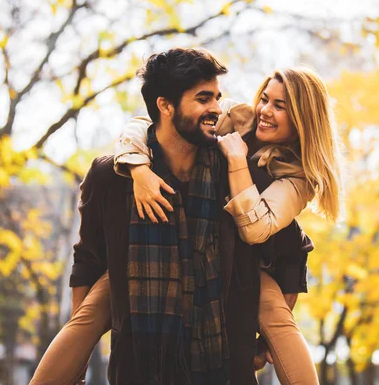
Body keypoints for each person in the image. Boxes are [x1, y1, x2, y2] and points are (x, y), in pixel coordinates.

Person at [30, 48, 313, 385]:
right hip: (140, 365)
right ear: (165, 105)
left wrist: (264, 340)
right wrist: (137, 170)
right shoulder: (112, 175)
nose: (217, 109)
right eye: (204, 98)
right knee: (92, 310)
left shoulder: (241, 174)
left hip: (222, 366)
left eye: (217, 98)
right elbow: (88, 260)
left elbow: (292, 250)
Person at [116, 66, 344, 384]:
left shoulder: (299, 176)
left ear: (303, 118)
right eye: (265, 99)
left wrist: (237, 162)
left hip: (243, 261)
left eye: (280, 106)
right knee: (98, 304)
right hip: (182, 235)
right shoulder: (237, 118)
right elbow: (146, 125)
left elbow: (255, 229)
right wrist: (137, 167)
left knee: (277, 320)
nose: (265, 110)